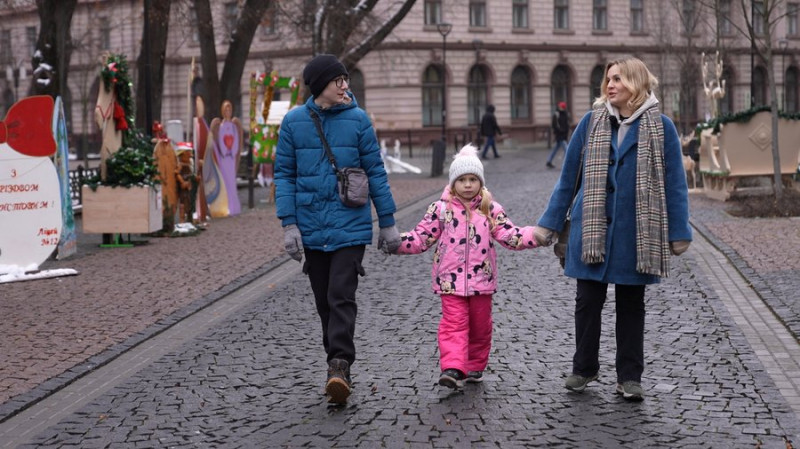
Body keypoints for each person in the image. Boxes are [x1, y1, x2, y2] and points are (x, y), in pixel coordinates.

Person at [534, 57, 691, 401]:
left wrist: (679, 230)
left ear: (636, 82)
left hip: (636, 235)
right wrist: (548, 224)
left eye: (618, 79)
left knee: (631, 305)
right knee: (587, 302)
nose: (610, 85)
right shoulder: (591, 122)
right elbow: (568, 178)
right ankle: (583, 369)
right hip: (589, 230)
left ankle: (629, 377)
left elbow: (675, 183)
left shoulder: (662, 127)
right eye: (608, 79)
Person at [274, 54, 401, 405]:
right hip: (311, 226)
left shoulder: (358, 120)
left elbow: (375, 171)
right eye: (338, 80)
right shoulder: (293, 122)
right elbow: (284, 174)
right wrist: (289, 224)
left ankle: (340, 364)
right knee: (324, 302)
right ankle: (336, 362)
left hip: (350, 224)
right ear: (320, 86)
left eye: (346, 79)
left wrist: (387, 222)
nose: (345, 85)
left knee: (341, 296)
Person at [385, 144, 540, 389]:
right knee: (453, 325)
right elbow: (421, 237)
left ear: (480, 182)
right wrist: (396, 242)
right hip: (450, 282)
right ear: (453, 183)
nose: (467, 185)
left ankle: (475, 365)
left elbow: (510, 235)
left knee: (480, 327)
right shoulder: (440, 209)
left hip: (482, 282)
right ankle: (453, 368)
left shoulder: (490, 209)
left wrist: (537, 235)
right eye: (462, 180)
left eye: (472, 180)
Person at [547, 101, 570, 168]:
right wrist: (559, 131)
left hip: (564, 135)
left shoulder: (565, 114)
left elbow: (566, 125)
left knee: (556, 149)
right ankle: (567, 164)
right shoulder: (556, 114)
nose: (560, 107)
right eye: (559, 106)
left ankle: (549, 161)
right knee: (566, 149)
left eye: (561, 106)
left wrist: (566, 133)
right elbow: (554, 125)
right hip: (559, 135)